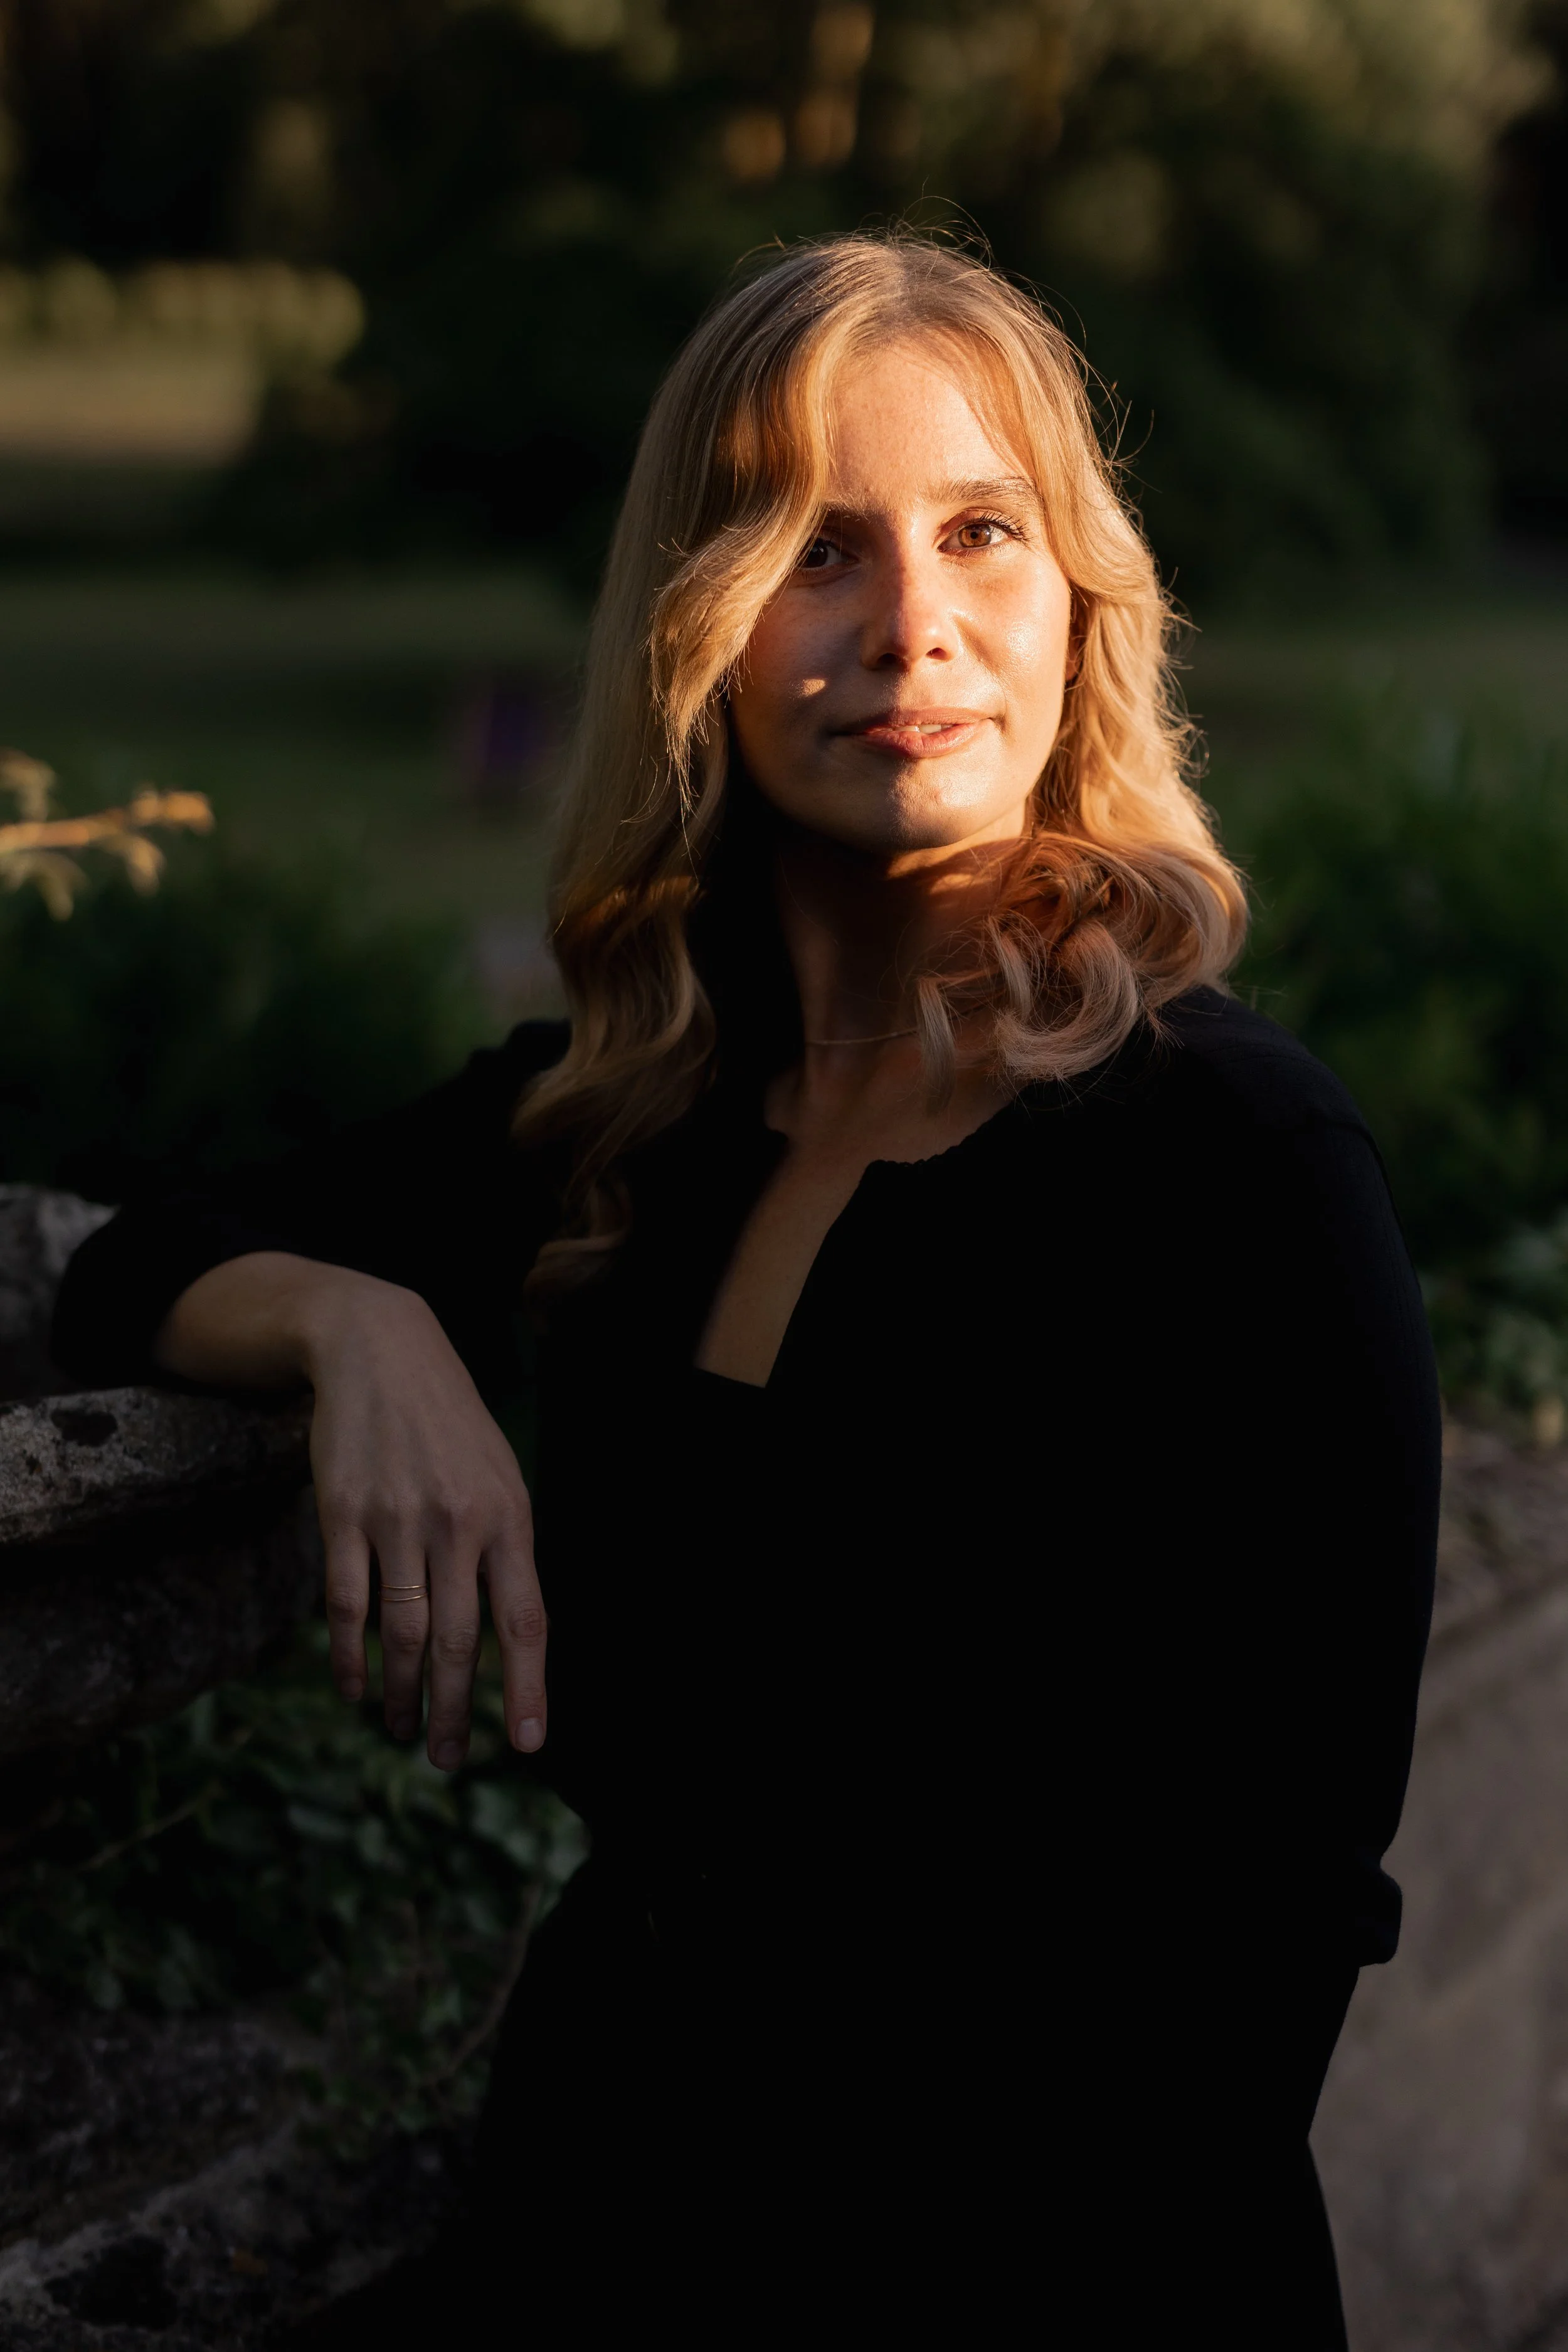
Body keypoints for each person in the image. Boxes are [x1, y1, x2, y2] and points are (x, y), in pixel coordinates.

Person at [55, 232, 1439, 2344]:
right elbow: (128, 1263)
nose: (913, 626)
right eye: (817, 545)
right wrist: (363, 1326)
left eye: (980, 531)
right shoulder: (627, 1115)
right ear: (698, 623)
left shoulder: (1239, 1168)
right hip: (602, 2218)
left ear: (1078, 590)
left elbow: (1253, 1969)